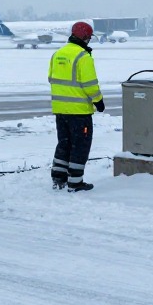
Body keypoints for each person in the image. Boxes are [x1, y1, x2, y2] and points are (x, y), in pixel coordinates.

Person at [48, 21, 104, 192]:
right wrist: (98, 101)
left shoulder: (58, 53)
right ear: (86, 37)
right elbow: (90, 85)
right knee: (80, 146)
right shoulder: (83, 56)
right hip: (79, 112)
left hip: (60, 110)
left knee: (64, 144)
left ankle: (59, 178)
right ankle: (75, 182)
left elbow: (51, 78)